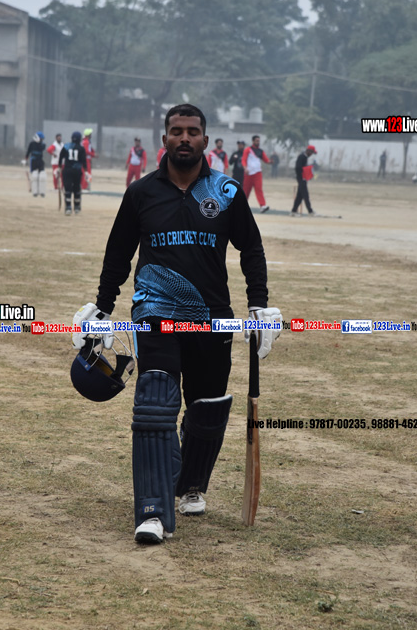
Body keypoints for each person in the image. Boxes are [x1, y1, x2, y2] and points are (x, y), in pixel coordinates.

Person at [72, 104, 282, 544]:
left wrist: (259, 306)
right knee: (155, 403)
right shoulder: (141, 193)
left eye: (192, 131)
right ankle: (152, 510)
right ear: (164, 138)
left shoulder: (226, 191)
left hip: (212, 318)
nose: (184, 138)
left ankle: (190, 486)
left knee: (207, 408)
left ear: (205, 139)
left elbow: (252, 249)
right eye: (176, 131)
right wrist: (102, 308)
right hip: (155, 314)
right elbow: (118, 254)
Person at [58, 131, 87, 216]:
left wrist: (59, 167)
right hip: (77, 171)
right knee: (77, 188)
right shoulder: (81, 148)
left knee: (67, 189)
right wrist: (86, 171)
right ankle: (77, 207)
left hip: (67, 170)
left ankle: (68, 208)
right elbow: (84, 161)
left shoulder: (66, 146)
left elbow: (61, 157)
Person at [241, 135, 271, 212]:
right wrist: (245, 168)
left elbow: (266, 160)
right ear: (253, 141)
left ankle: (262, 205)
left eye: (259, 141)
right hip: (249, 174)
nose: (258, 142)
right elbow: (243, 160)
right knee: (246, 191)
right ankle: (241, 205)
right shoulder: (248, 150)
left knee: (259, 189)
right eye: (257, 141)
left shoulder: (261, 151)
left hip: (257, 173)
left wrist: (270, 161)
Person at [290, 144, 317, 217]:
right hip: (301, 178)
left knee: (300, 196)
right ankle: (310, 211)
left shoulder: (305, 157)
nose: (312, 154)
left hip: (303, 178)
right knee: (305, 195)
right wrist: (302, 176)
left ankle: (293, 211)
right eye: (312, 152)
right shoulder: (302, 157)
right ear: (308, 151)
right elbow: (298, 168)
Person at [25, 131, 47, 197]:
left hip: (40, 160)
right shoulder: (32, 144)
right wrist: (26, 158)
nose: (42, 140)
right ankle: (35, 192)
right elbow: (28, 151)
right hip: (33, 161)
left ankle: (42, 192)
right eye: (41, 139)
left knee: (42, 176)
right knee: (34, 176)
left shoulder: (43, 145)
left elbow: (41, 148)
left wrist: (40, 143)